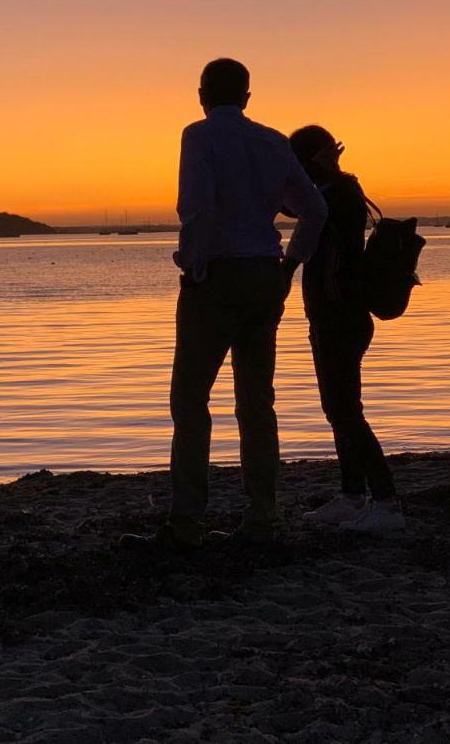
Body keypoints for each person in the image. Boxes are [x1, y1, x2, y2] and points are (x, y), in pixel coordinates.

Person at [122, 58, 327, 551]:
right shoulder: (275, 142)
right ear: (248, 97)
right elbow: (314, 210)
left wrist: (194, 267)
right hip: (264, 274)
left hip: (216, 276)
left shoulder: (198, 136)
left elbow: (196, 207)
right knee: (256, 403)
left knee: (191, 401)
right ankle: (262, 516)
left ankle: (188, 521)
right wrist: (289, 268)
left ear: (201, 95)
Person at [286, 125, 404, 534]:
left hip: (340, 316)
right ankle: (352, 495)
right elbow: (294, 206)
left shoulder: (334, 196)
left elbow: (302, 212)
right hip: (333, 316)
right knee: (338, 409)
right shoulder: (334, 192)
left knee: (346, 411)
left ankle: (386, 502)